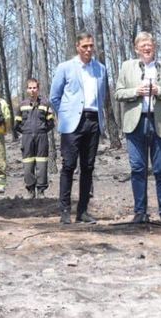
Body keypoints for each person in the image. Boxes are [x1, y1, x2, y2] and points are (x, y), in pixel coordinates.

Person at [115, 32, 161, 226]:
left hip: (158, 123)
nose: (146, 48)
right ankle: (140, 212)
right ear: (136, 49)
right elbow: (118, 93)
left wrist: (158, 91)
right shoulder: (127, 67)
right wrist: (136, 91)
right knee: (138, 168)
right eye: (142, 45)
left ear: (154, 47)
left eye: (149, 45)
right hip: (135, 124)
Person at [50, 32, 108, 224]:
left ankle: (82, 211)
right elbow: (54, 97)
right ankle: (65, 210)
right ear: (77, 47)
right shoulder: (65, 68)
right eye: (85, 46)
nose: (89, 49)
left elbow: (103, 97)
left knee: (88, 167)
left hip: (93, 120)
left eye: (91, 46)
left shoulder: (101, 69)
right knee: (68, 166)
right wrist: (66, 115)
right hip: (72, 123)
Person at [14, 78, 55, 200]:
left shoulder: (46, 103)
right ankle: (30, 191)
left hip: (42, 137)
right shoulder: (21, 105)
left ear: (38, 89)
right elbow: (16, 124)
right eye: (30, 88)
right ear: (27, 89)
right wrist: (26, 131)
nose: (32, 90)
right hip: (26, 137)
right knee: (28, 164)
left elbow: (51, 123)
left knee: (42, 164)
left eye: (34, 88)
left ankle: (41, 191)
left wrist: (41, 130)